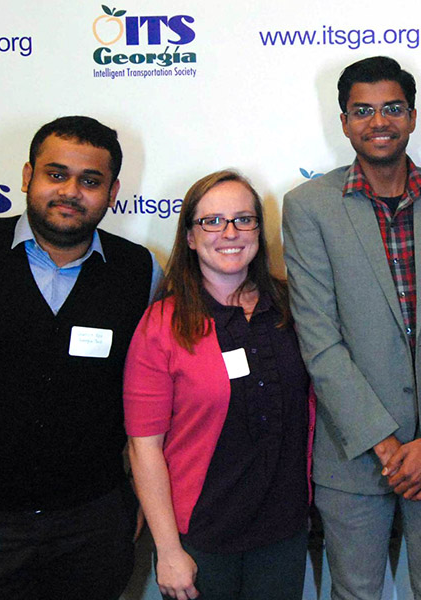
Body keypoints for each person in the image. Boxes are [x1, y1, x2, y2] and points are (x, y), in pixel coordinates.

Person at [0, 116, 163, 599]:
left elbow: (150, 398)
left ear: (113, 192)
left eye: (90, 181)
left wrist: (140, 498)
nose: (71, 191)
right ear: (28, 177)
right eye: (56, 174)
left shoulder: (140, 271)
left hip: (93, 521)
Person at [282, 56, 421, 599]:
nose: (379, 121)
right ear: (345, 121)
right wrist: (384, 443)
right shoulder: (307, 207)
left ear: (413, 116)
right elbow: (318, 339)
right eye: (363, 110)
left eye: (392, 108)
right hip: (354, 454)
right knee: (354, 593)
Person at [124, 170, 314, 600]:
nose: (230, 232)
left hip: (283, 531)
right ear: (190, 237)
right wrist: (169, 550)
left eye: (243, 220)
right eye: (212, 221)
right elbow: (144, 447)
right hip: (202, 538)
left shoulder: (293, 308)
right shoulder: (162, 325)